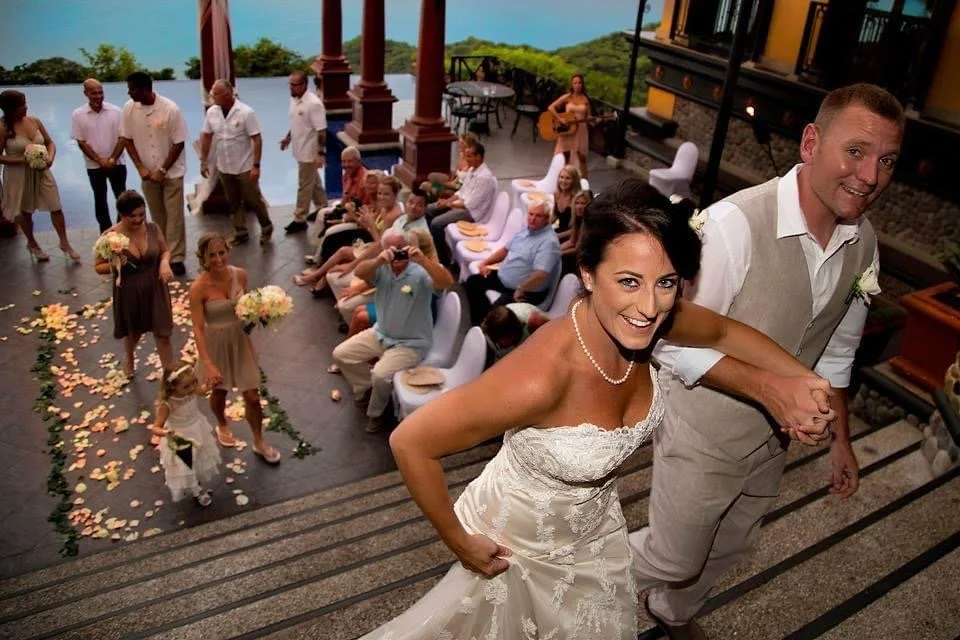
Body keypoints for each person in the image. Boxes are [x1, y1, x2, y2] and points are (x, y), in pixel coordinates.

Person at [361, 181, 835, 639]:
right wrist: (459, 542)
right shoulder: (540, 377)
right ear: (588, 274)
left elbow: (724, 334)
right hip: (520, 548)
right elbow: (411, 442)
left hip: (594, 531)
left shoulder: (652, 318)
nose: (650, 307)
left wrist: (805, 382)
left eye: (666, 282)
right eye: (629, 281)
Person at [631, 83, 904, 639]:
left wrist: (842, 440)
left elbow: (838, 348)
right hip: (702, 436)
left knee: (733, 547)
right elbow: (669, 338)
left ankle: (670, 614)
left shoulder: (865, 244)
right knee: (672, 558)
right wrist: (767, 389)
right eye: (855, 151)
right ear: (811, 142)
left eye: (887, 160)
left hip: (770, 446)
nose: (870, 176)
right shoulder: (734, 225)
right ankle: (561, 582)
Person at [332, 233, 455, 433]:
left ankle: (376, 414)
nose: (398, 253)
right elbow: (361, 272)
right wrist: (379, 259)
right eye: (392, 248)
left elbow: (446, 281)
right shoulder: (382, 269)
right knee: (341, 354)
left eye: (401, 247)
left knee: (380, 375)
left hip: (411, 343)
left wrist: (423, 260)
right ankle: (365, 386)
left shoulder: (421, 273)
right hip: (381, 333)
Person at [189, 233, 282, 464]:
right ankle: (221, 423)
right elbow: (199, 328)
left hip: (239, 340)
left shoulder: (240, 274)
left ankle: (259, 441)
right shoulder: (198, 288)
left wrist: (259, 314)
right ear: (203, 258)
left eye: (222, 253)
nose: (219, 259)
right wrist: (207, 363)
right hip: (215, 343)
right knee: (219, 391)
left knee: (251, 396)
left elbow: (244, 308)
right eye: (212, 255)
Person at [93, 190, 174, 376]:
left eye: (141, 215)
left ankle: (170, 376)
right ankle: (129, 357)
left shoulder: (152, 228)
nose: (139, 220)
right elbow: (98, 267)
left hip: (155, 287)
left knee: (163, 333)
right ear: (122, 215)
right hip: (129, 290)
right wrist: (114, 265)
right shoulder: (110, 236)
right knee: (133, 332)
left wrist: (163, 264)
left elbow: (165, 251)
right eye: (133, 216)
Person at [0, 89, 82, 262]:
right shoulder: (3, 127)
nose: (26, 107)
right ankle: (32, 243)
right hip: (18, 174)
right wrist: (23, 160)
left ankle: (64, 242)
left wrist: (50, 157)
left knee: (56, 205)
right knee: (24, 211)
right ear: (11, 109)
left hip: (42, 170)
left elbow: (50, 142)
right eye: (22, 105)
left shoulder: (35, 120)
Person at [120, 71, 189, 276]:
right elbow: (127, 139)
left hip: (171, 173)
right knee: (156, 215)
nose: (129, 93)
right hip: (147, 174)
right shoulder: (129, 108)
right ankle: (161, 253)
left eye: (132, 89)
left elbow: (179, 142)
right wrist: (140, 167)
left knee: (174, 216)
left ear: (145, 89)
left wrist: (163, 170)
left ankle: (176, 257)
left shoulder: (170, 109)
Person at [305, 186, 431, 298]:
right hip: (381, 255)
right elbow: (381, 244)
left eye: (419, 205)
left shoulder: (417, 232)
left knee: (340, 264)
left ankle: (326, 284)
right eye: (411, 202)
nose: (413, 207)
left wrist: (362, 278)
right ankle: (318, 274)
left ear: (425, 208)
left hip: (395, 272)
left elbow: (390, 254)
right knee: (337, 245)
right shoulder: (403, 218)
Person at [199, 80, 273, 247]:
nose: (212, 97)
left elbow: (257, 139)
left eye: (215, 94)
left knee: (254, 199)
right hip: (224, 165)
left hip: (244, 166)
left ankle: (266, 227)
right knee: (233, 201)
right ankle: (241, 231)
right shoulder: (212, 112)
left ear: (227, 94)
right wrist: (203, 161)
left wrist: (256, 165)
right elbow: (207, 136)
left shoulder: (246, 112)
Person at [464, 200, 561, 324]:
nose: (532, 219)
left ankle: (487, 328)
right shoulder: (526, 231)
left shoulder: (549, 242)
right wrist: (485, 263)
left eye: (538, 216)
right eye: (530, 214)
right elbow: (505, 250)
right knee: (473, 282)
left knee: (496, 316)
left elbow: (541, 275)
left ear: (547, 219)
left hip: (527, 291)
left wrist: (521, 288)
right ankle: (480, 323)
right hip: (505, 279)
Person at [151, 361, 221, 506]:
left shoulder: (193, 391)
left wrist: (208, 387)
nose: (191, 388)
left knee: (199, 461)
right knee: (187, 465)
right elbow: (155, 427)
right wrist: (165, 432)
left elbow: (201, 391)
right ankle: (197, 493)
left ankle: (198, 486)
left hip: (197, 429)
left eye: (194, 383)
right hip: (180, 437)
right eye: (186, 386)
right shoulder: (167, 404)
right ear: (172, 387)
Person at [70, 78, 127, 233]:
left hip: (117, 164)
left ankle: (122, 229)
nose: (98, 96)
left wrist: (112, 159)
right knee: (100, 199)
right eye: (94, 93)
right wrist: (99, 160)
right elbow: (81, 142)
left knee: (122, 198)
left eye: (100, 92)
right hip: (94, 166)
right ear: (86, 94)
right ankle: (106, 232)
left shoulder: (116, 111)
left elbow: (123, 138)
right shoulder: (78, 114)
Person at [427, 141, 498, 265]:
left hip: (471, 213)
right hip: (460, 204)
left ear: (479, 157)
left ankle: (443, 259)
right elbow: (461, 192)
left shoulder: (484, 177)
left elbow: (469, 204)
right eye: (466, 156)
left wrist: (448, 204)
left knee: (436, 224)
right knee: (429, 209)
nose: (466, 159)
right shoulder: (472, 170)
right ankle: (431, 247)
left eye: (469, 156)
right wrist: (447, 200)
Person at [282, 69, 327, 234]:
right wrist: (288, 138)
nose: (291, 88)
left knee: (304, 185)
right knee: (313, 182)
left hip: (309, 151)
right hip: (299, 148)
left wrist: (320, 153)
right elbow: (296, 122)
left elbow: (321, 130)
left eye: (294, 85)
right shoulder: (294, 100)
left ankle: (300, 218)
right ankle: (323, 207)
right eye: (290, 84)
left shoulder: (314, 104)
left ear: (304, 85)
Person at [547, 73, 592, 177]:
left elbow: (589, 116)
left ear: (582, 84)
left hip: (581, 130)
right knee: (565, 155)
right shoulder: (568, 97)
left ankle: (584, 181)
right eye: (575, 83)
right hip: (568, 129)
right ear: (572, 85)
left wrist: (594, 120)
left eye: (579, 83)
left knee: (582, 157)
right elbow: (551, 107)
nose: (577, 85)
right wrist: (560, 119)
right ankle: (565, 178)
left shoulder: (585, 99)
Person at [560, 189, 592, 274]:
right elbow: (571, 241)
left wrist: (559, 253)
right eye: (577, 203)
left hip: (587, 257)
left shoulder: (588, 222)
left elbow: (577, 249)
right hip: (578, 253)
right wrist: (556, 249)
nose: (579, 206)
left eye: (583, 203)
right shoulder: (577, 219)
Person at [551, 164, 581, 233]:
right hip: (560, 230)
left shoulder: (577, 199)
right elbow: (554, 215)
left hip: (572, 234)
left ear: (574, 180)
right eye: (561, 177)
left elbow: (576, 229)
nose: (563, 181)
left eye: (568, 178)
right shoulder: (556, 194)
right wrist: (542, 226)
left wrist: (557, 237)